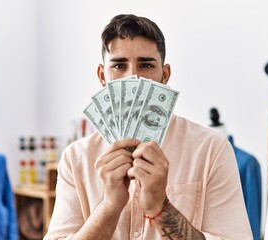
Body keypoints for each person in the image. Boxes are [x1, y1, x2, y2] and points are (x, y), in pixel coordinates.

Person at [44, 14, 253, 240]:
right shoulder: (75, 158)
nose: (133, 76)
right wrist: (110, 206)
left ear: (164, 75)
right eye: (118, 65)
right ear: (102, 76)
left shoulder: (212, 150)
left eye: (146, 65)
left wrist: (160, 207)